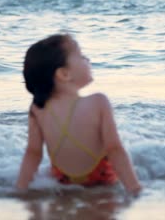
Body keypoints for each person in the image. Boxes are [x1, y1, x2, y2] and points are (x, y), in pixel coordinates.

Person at [16, 33, 142, 195]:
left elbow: (33, 153)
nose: (87, 60)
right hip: (103, 178)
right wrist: (134, 188)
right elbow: (114, 149)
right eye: (81, 56)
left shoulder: (38, 109)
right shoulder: (98, 101)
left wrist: (20, 190)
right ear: (64, 74)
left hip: (63, 181)